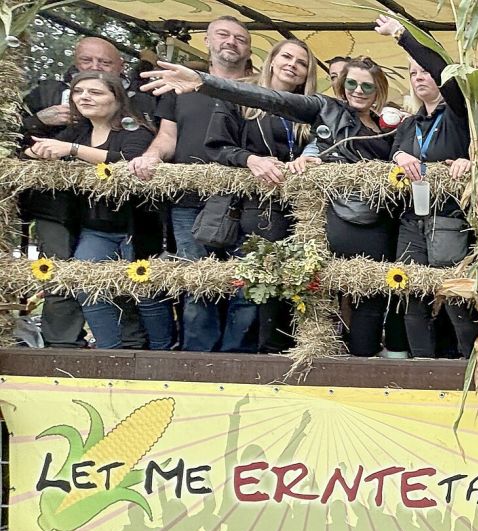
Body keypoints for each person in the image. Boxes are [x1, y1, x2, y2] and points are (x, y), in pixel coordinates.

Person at [141, 40, 407, 358]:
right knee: (314, 291)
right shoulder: (327, 109)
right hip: (334, 220)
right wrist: (206, 83)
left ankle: (361, 364)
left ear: (379, 90)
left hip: (380, 223)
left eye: (367, 85)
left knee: (372, 300)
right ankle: (305, 359)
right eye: (351, 82)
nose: (358, 90)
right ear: (340, 85)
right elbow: (269, 98)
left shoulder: (391, 126)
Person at [128, 16, 253, 352]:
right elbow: (167, 137)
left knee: (247, 282)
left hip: (243, 199)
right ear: (208, 43)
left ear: (249, 48)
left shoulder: (259, 90)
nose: (231, 42)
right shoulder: (177, 88)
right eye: (223, 34)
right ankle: (198, 359)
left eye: (240, 37)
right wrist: (151, 157)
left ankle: (238, 358)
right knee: (197, 281)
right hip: (189, 199)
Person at [27, 72, 174, 350]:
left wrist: (70, 149)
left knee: (145, 292)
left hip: (137, 229)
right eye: (79, 91)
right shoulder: (78, 131)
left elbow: (130, 160)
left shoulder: (135, 130)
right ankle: (110, 352)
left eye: (95, 92)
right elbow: (40, 148)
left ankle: (163, 352)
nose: (84, 97)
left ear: (117, 99)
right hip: (96, 228)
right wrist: (40, 151)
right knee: (86, 285)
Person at [20, 36, 144, 349]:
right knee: (62, 274)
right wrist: (37, 121)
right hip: (55, 205)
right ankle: (63, 346)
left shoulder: (137, 100)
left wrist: (71, 148)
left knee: (124, 280)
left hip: (111, 212)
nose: (94, 68)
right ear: (76, 61)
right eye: (87, 61)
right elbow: (11, 137)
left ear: (120, 67)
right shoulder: (46, 92)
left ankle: (127, 345)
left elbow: (130, 154)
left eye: (104, 63)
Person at [375, 15, 478, 359]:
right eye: (413, 74)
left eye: (424, 71)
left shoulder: (458, 113)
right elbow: (392, 154)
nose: (420, 77)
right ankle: (421, 364)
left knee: (455, 297)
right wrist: (400, 155)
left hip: (449, 219)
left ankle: (469, 362)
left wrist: (402, 35)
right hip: (411, 222)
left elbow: (443, 68)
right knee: (412, 294)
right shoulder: (409, 124)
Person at [204, 39, 318, 353]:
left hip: (300, 211)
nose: (292, 64)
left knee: (291, 287)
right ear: (271, 59)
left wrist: (310, 158)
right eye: (286, 56)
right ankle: (236, 358)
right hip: (255, 207)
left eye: (301, 62)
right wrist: (250, 160)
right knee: (252, 289)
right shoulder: (240, 98)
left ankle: (276, 352)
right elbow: (216, 146)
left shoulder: (308, 109)